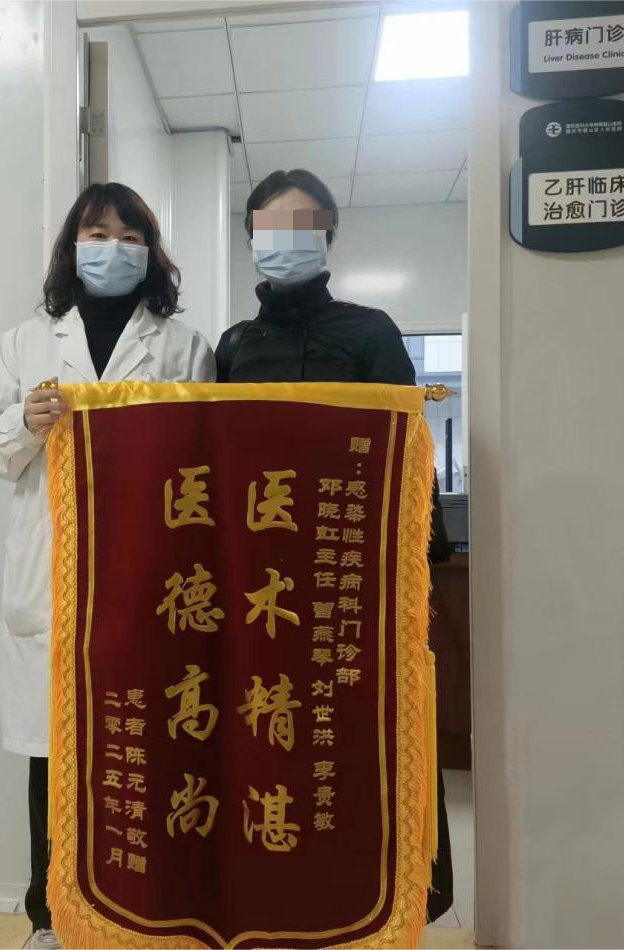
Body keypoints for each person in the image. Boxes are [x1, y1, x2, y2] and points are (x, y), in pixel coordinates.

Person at [0, 183, 216, 950]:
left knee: (142, 744)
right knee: (55, 756)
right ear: (71, 247)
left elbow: (206, 459)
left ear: (151, 251)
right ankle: (50, 917)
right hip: (53, 575)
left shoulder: (184, 347)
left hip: (148, 571)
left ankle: (144, 910)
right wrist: (23, 422)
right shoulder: (24, 342)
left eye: (130, 236)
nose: (113, 248)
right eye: (97, 234)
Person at [215, 168, 455, 923]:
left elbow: (409, 453)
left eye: (302, 225)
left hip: (352, 577)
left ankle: (372, 906)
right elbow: (212, 463)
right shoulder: (234, 344)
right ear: (251, 240)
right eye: (269, 227)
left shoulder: (370, 332)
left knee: (351, 738)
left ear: (328, 237)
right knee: (269, 730)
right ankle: (272, 897)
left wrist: (419, 569)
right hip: (260, 585)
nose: (284, 240)